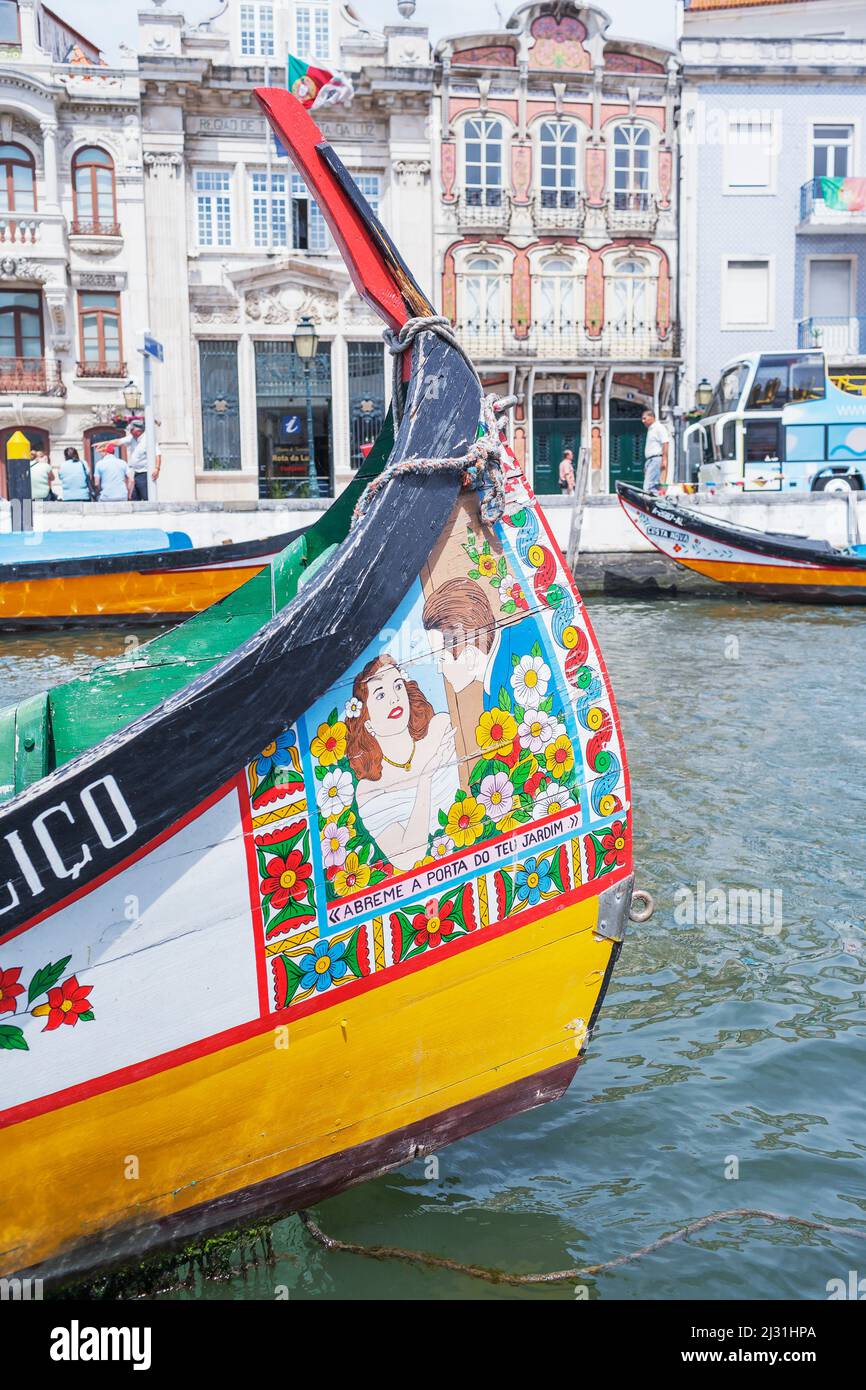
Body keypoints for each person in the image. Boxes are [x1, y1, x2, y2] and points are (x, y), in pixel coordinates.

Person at [345, 655, 457, 873]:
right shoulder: (370, 789)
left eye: (397, 686)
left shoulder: (441, 727)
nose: (394, 699)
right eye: (380, 695)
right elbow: (408, 859)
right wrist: (424, 780)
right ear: (366, 722)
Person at [101, 422, 158, 501]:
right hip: (134, 472)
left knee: (146, 497)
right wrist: (104, 443)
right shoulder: (131, 438)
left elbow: (158, 454)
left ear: (138, 431)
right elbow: (118, 442)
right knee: (133, 497)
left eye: (131, 430)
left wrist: (157, 468)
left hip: (144, 473)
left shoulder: (148, 440)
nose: (130, 432)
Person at [641, 408, 671, 494]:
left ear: (652, 417)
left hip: (656, 459)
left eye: (644, 418)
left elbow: (665, 442)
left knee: (649, 486)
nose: (643, 421)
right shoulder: (651, 429)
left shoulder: (659, 427)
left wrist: (664, 460)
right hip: (650, 460)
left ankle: (652, 503)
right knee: (653, 484)